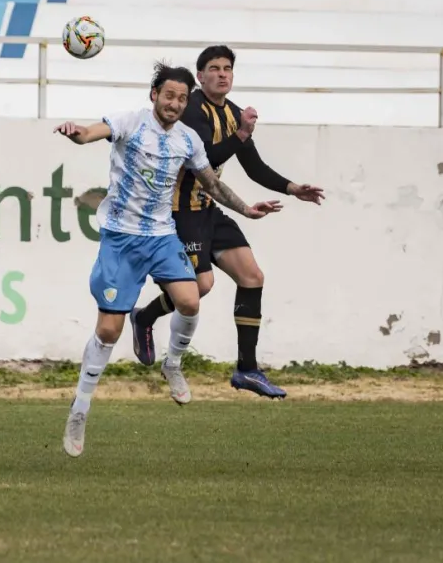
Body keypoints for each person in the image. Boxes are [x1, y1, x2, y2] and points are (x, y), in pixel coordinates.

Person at [56, 62, 282, 458]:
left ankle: (172, 363)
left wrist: (247, 209)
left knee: (191, 299)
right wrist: (77, 133)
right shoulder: (131, 122)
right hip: (121, 239)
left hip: (161, 236)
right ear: (154, 95)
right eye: (168, 96)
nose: (174, 104)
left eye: (180, 98)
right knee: (108, 331)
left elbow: (212, 184)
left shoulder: (188, 140)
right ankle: (80, 410)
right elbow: (92, 133)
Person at [130, 46, 325, 400]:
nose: (222, 74)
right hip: (178, 213)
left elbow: (254, 166)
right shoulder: (191, 108)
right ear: (200, 76)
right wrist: (241, 135)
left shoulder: (234, 114)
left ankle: (247, 369)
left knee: (252, 276)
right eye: (214, 68)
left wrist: (293, 188)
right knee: (200, 287)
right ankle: (145, 318)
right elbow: (204, 159)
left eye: (228, 68)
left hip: (208, 210)